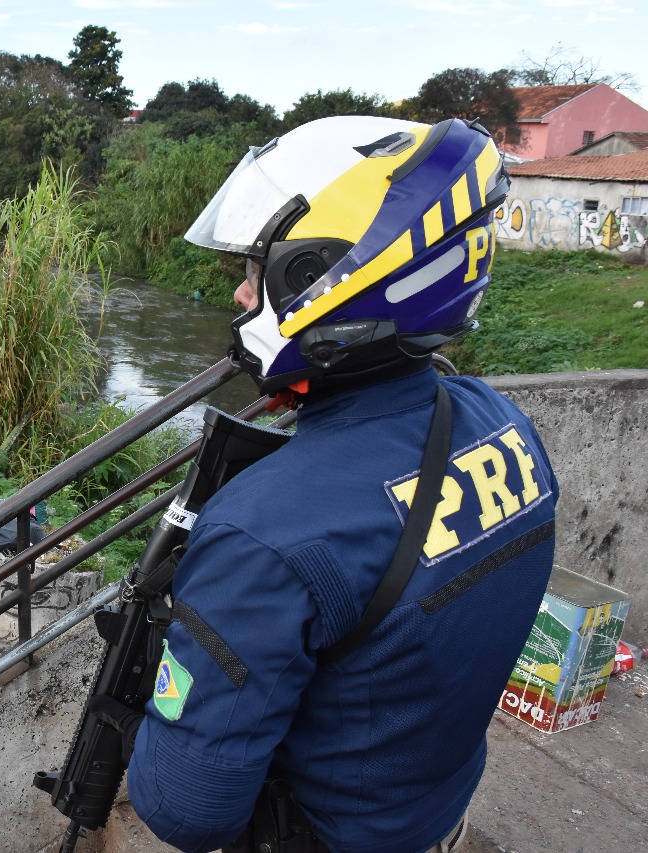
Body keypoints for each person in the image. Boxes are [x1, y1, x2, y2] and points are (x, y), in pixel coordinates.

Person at [111, 116, 560, 853]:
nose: (238, 292)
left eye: (257, 270)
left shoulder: (263, 533)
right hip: (439, 808)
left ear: (324, 278)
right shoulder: (503, 424)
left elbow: (187, 809)